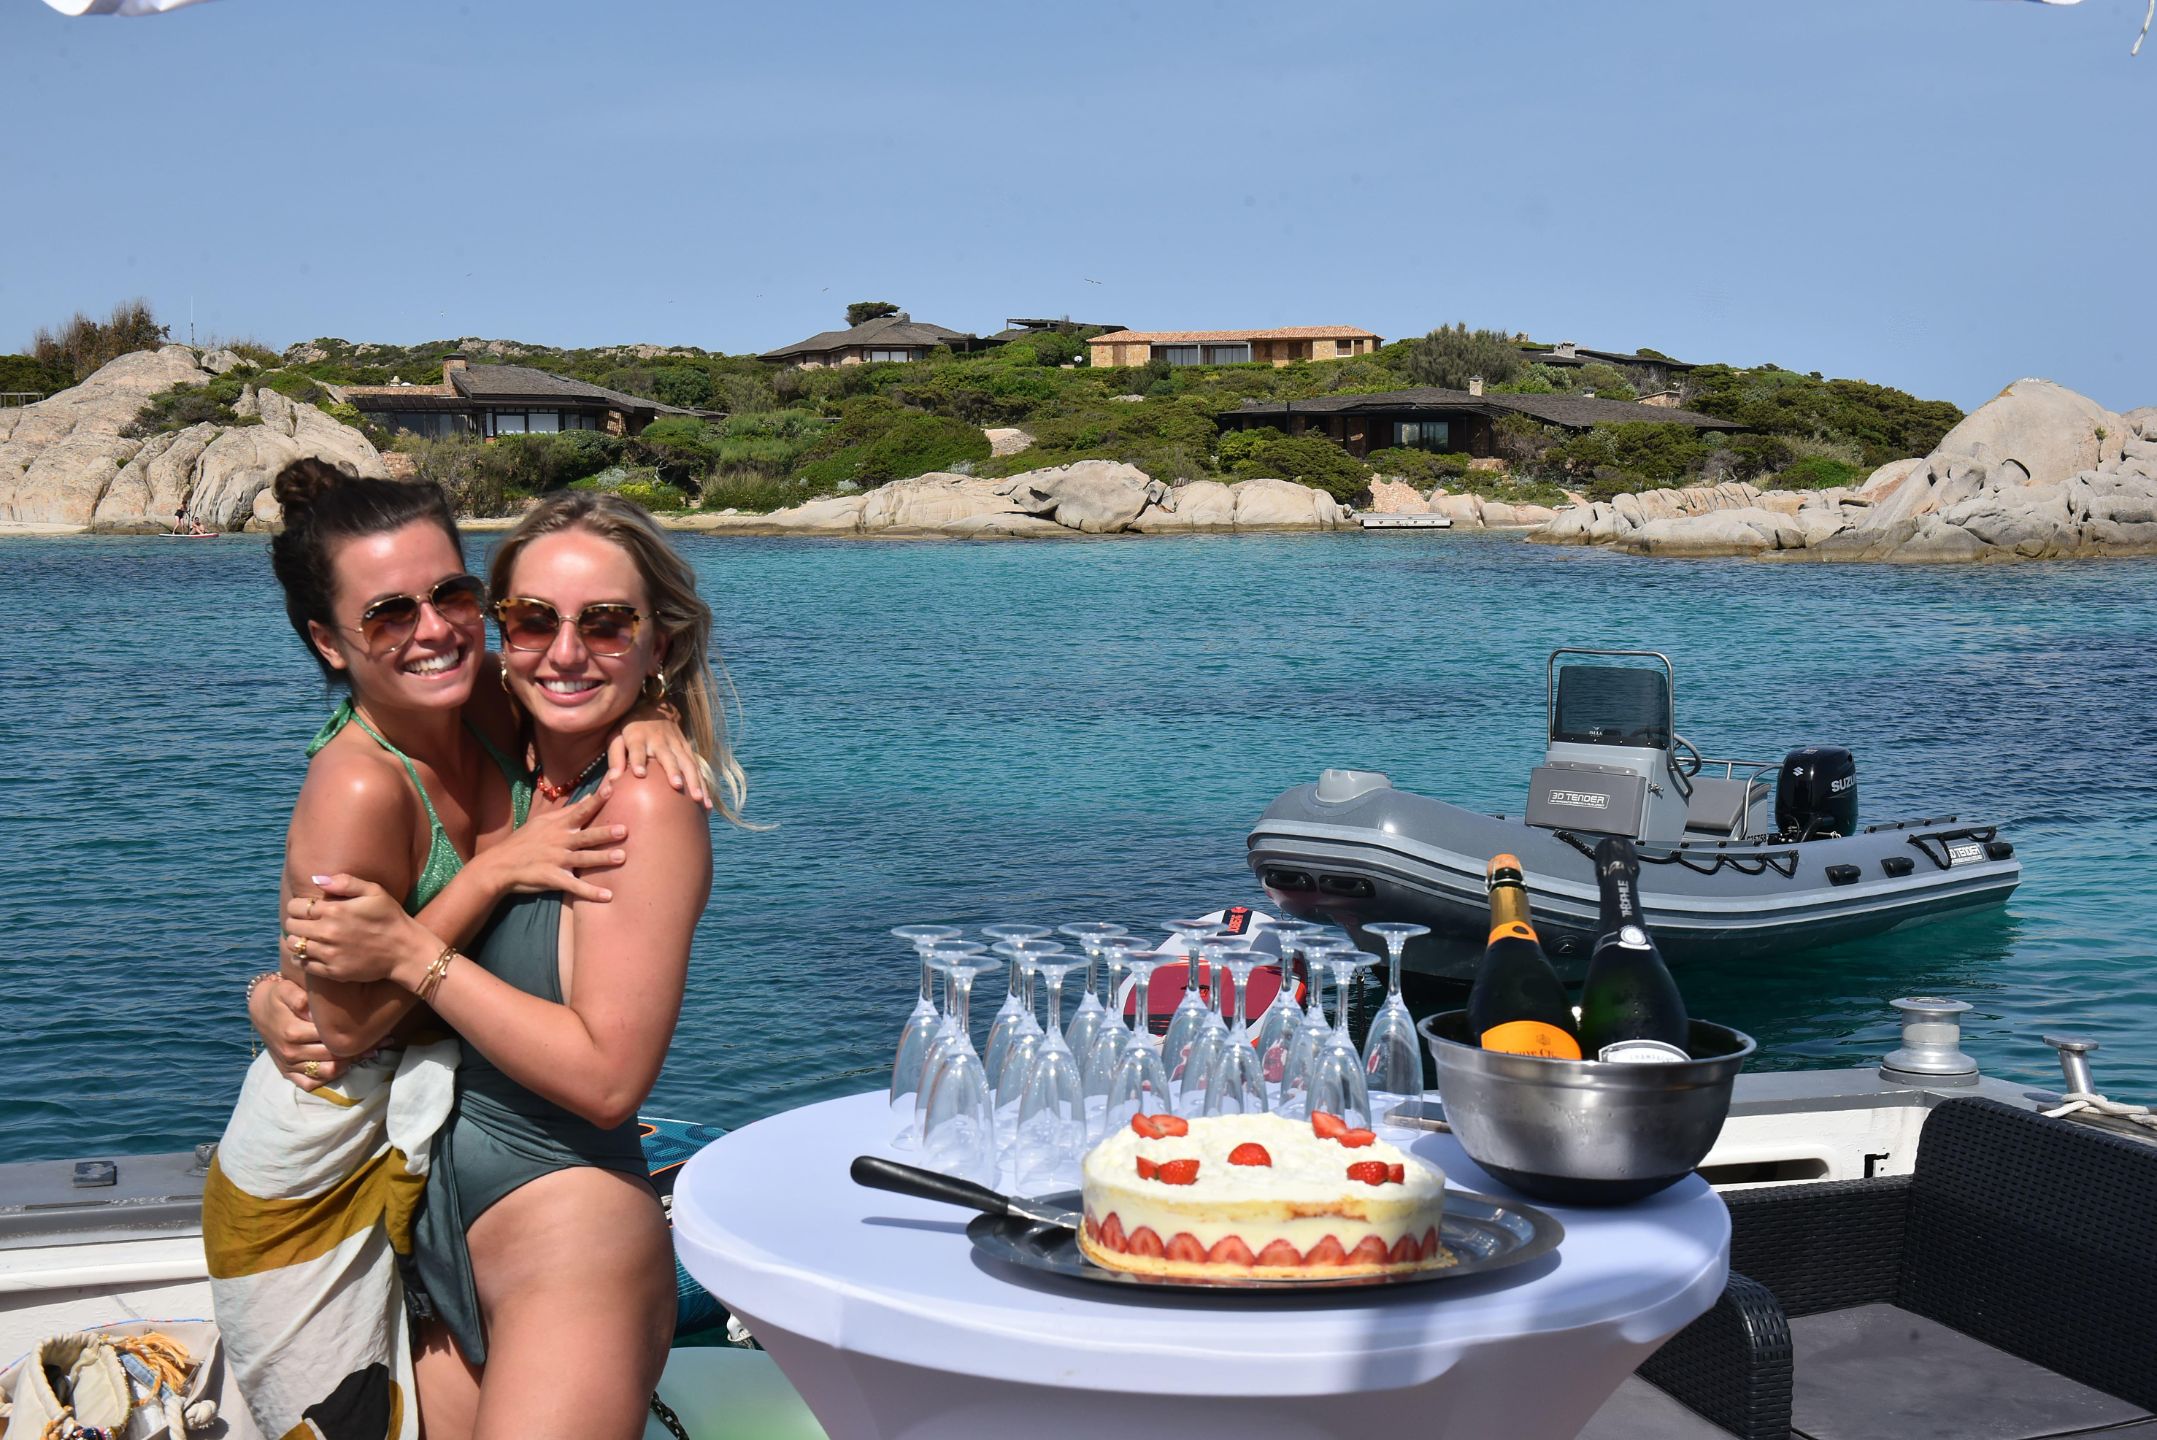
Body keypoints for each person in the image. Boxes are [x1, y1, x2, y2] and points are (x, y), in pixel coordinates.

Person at [210, 461, 705, 1440]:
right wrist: (273, 987)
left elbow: (610, 1080)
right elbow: (336, 1021)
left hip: (552, 1222)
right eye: (388, 612)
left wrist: (652, 710)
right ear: (329, 640)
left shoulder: (544, 734)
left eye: (454, 597)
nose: (433, 630)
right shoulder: (412, 754)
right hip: (402, 1208)